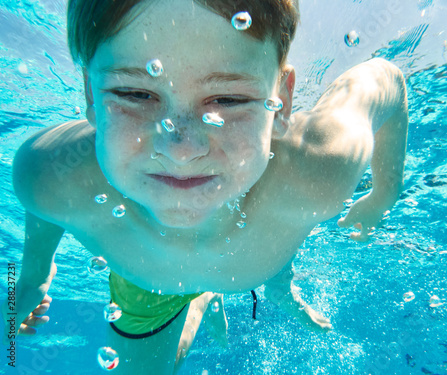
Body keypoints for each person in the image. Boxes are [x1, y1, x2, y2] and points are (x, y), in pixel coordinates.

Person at [2, 0, 408, 373]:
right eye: (135, 93)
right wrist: (32, 276)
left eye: (228, 99)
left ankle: (279, 285)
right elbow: (39, 215)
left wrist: (384, 194)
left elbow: (385, 79)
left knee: (278, 242)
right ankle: (202, 299)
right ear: (91, 95)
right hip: (148, 284)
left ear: (280, 103)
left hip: (264, 249)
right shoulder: (49, 173)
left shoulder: (317, 168)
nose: (182, 149)